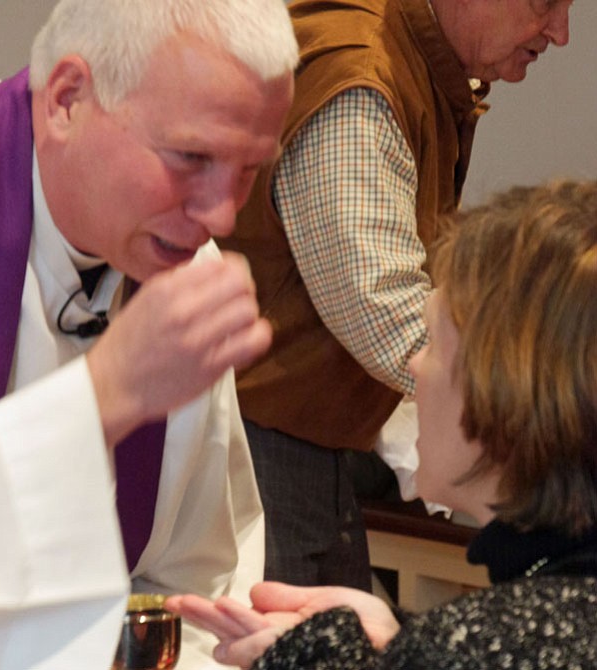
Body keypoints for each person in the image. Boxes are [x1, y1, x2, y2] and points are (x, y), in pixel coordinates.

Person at [0, 0, 298, 667]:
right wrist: (104, 394)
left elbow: (196, 575)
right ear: (68, 99)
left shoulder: (180, 264)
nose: (220, 217)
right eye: (191, 156)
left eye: (248, 171)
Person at [166, 178, 597, 669]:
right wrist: (399, 643)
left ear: (504, 390)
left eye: (433, 342)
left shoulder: (477, 646)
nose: (414, 366)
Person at [217, 0, 573, 590]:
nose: (560, 32)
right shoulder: (361, 75)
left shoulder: (412, 61)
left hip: (315, 433)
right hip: (263, 445)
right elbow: (384, 311)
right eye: (546, 2)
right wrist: (539, 414)